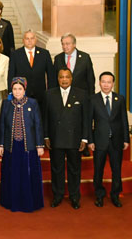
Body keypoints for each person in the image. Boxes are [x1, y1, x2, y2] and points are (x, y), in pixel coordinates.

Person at [44, 68, 90, 209]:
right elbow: (45, 117)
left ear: (71, 78)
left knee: (74, 169)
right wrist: (46, 136)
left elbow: (86, 119)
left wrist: (85, 139)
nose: (64, 80)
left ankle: (74, 197)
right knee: (56, 169)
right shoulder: (49, 94)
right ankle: (57, 195)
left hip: (74, 139)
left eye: (67, 77)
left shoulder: (82, 94)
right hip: (55, 138)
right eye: (61, 77)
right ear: (57, 79)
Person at [0, 77, 44, 212]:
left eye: (20, 89)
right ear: (11, 90)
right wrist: (1, 144)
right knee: (11, 173)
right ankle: (12, 202)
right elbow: (2, 126)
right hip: (11, 146)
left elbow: (38, 124)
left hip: (28, 145)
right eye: (15, 89)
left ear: (24, 90)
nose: (17, 92)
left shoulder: (32, 103)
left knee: (28, 174)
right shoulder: (6, 104)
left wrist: (39, 145)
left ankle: (29, 202)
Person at [88, 71, 129, 208]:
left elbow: (124, 120)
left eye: (109, 82)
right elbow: (88, 122)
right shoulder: (93, 99)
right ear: (99, 83)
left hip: (116, 141)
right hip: (99, 140)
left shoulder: (120, 99)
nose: (106, 84)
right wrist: (90, 141)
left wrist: (126, 139)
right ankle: (99, 195)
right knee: (98, 169)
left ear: (113, 84)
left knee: (116, 170)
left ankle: (115, 195)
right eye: (103, 81)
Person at [8, 30, 55, 106]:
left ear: (36, 40)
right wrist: (12, 93)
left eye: (32, 38)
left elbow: (51, 75)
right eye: (27, 38)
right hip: (21, 95)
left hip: (40, 96)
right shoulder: (15, 54)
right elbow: (11, 75)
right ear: (23, 40)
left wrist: (51, 93)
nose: (29, 41)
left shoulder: (44, 54)